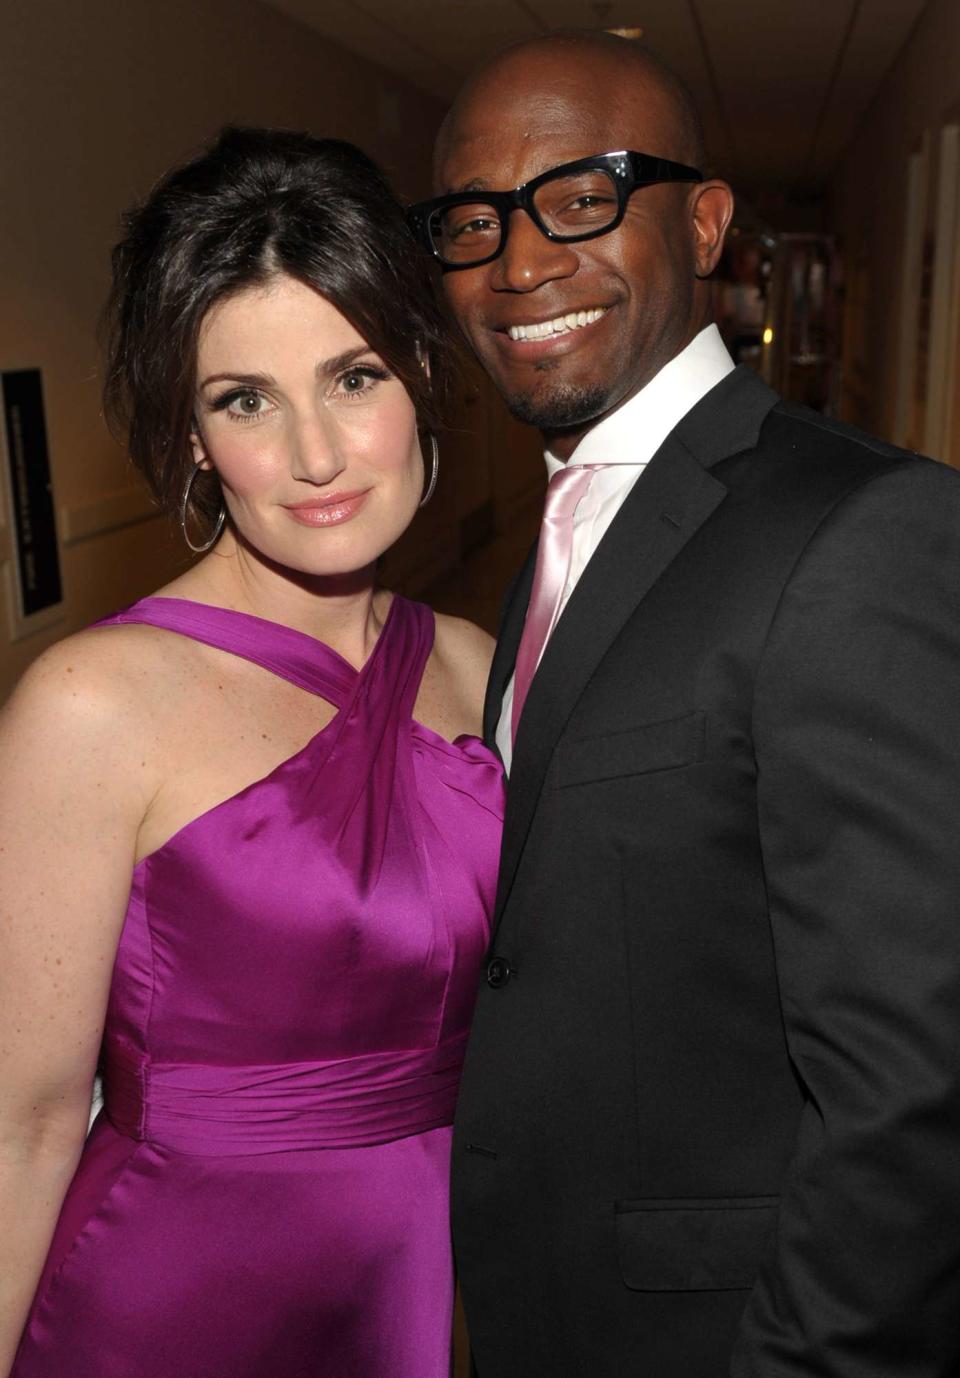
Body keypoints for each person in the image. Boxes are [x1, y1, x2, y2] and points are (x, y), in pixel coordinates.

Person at [407, 30, 960, 1377]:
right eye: (474, 221)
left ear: (704, 223)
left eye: (582, 197)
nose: (521, 262)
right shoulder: (560, 530)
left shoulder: (862, 531)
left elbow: (915, 1086)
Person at [0, 126, 503, 1378]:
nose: (317, 457)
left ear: (421, 381)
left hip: (429, 1288)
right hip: (172, 1303)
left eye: (355, 377)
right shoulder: (92, 703)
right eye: (246, 400)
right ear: (191, 435)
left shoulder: (482, 668)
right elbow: (25, 1124)